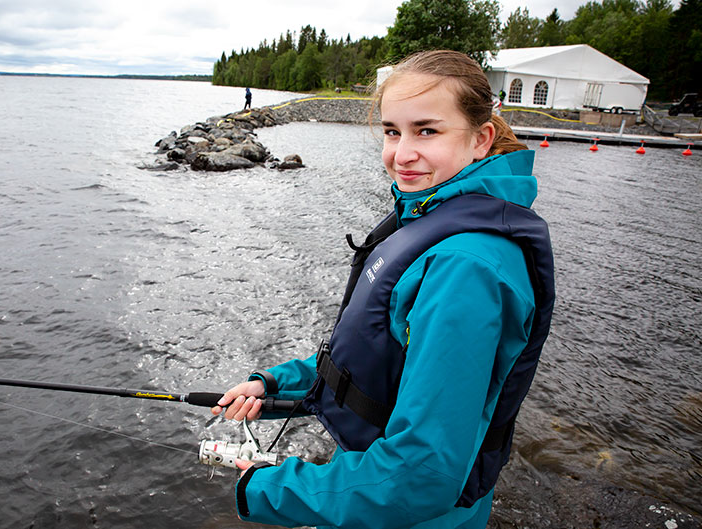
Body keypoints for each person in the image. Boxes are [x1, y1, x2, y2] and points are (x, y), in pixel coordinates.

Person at [212, 50, 555, 529]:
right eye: (393, 131)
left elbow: (422, 473)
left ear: (481, 139)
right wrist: (270, 385)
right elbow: (375, 360)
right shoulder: (429, 216)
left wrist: (269, 488)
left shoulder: (464, 268)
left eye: (427, 131)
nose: (402, 153)